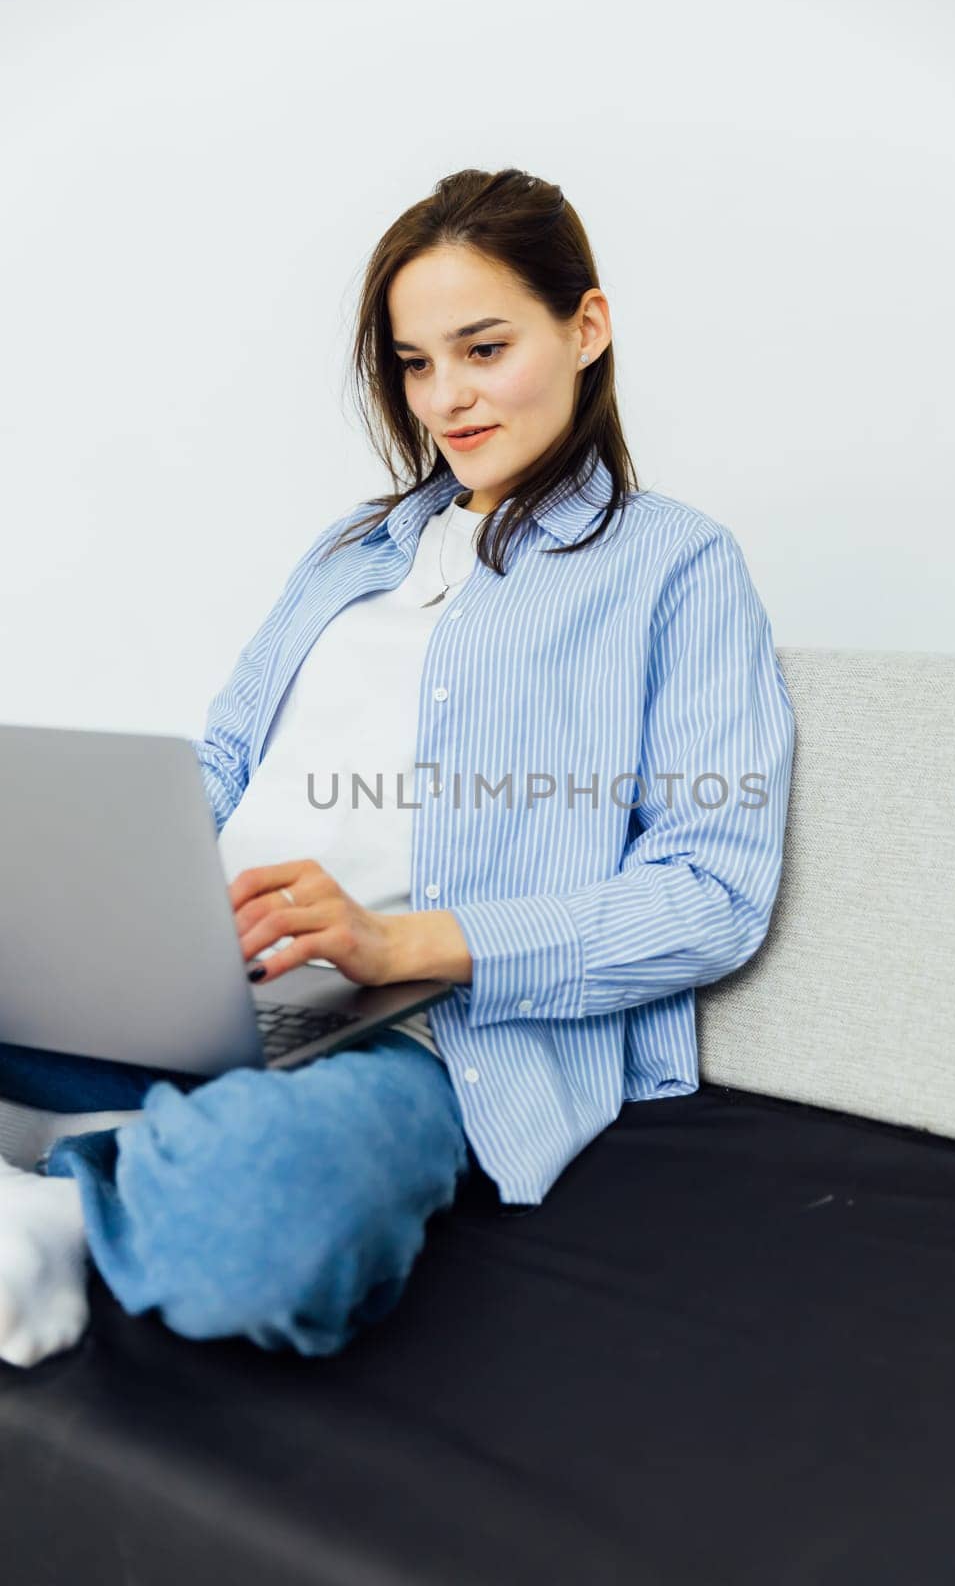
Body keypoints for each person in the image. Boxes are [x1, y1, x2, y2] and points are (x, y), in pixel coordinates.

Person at [0, 166, 796, 1370]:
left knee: (267, 1214)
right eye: (416, 363)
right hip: (212, 980)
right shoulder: (349, 552)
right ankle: (145, 1137)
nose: (446, 398)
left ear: (585, 327)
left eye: (481, 347)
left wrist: (401, 946)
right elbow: (223, 758)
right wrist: (115, 906)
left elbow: (711, 894)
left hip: (416, 1034)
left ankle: (69, 1202)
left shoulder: (675, 567)